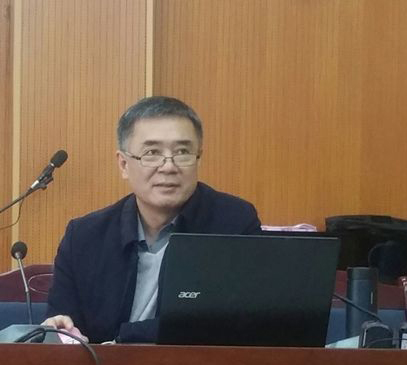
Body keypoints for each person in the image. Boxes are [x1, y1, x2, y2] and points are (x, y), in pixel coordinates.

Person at [43, 96, 261, 343]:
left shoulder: (233, 224)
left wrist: (125, 340)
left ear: (198, 158)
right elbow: (62, 325)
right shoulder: (84, 237)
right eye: (152, 153)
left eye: (182, 152)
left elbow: (228, 322)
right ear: (124, 164)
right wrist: (58, 328)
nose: (168, 167)